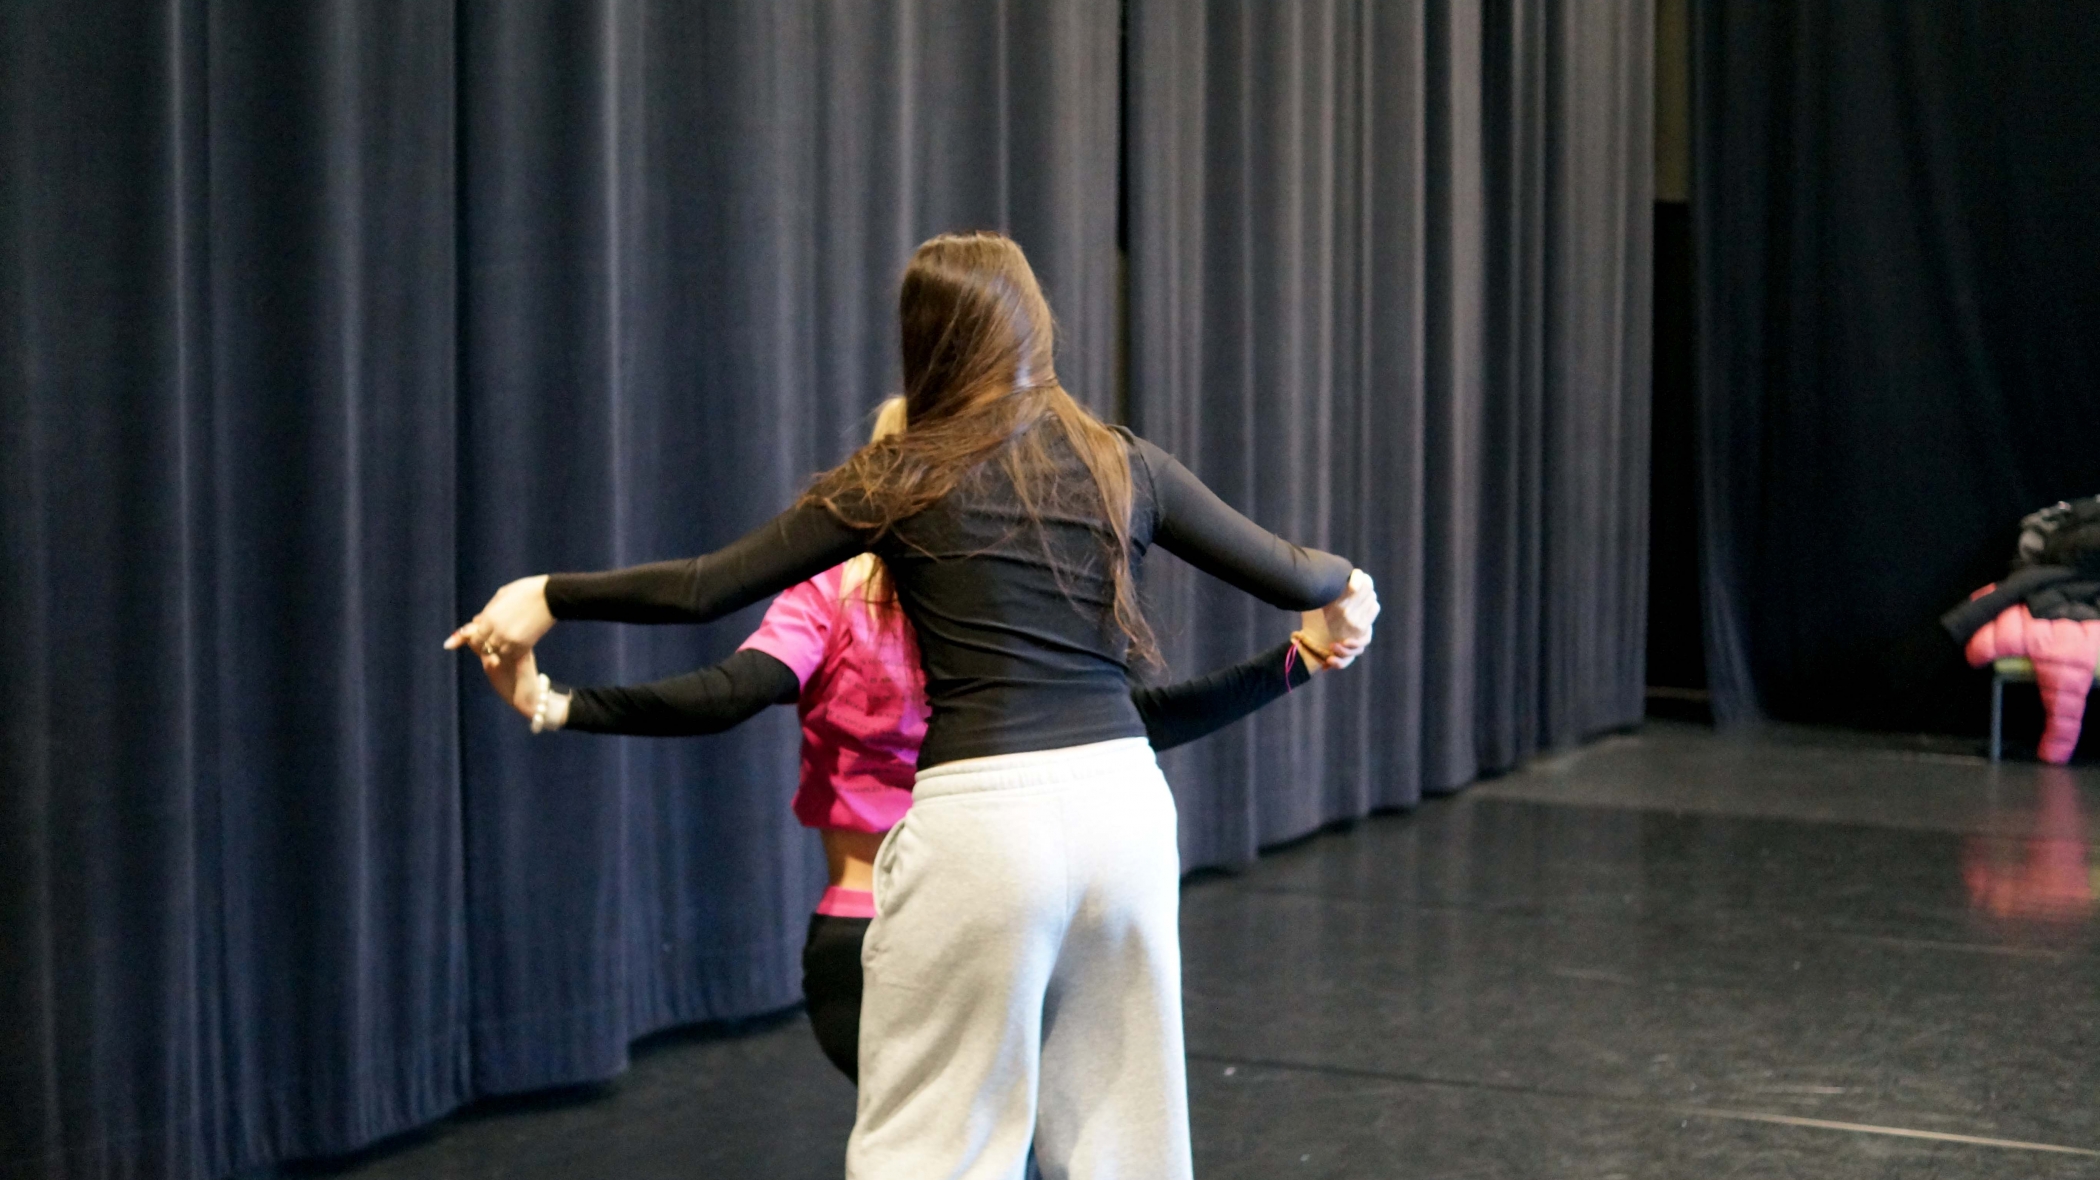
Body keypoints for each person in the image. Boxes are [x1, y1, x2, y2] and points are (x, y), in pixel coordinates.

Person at [450, 231, 1378, 1179]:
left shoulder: (901, 475)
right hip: (1126, 815)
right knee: (1126, 1148)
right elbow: (1303, 573)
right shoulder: (1121, 464)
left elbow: (703, 588)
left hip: (985, 825)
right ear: (1034, 330)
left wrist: (548, 593)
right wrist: (1343, 611)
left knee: (935, 1146)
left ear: (925, 341)